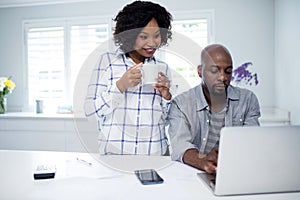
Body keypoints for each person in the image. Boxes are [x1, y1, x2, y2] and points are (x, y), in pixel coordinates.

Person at [85, 1, 173, 155]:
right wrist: (120, 86)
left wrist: (167, 97)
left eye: (157, 35)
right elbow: (91, 113)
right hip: (115, 155)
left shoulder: (163, 67)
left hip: (154, 155)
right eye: (144, 36)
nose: (152, 43)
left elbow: (167, 120)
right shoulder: (106, 62)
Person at [167, 44, 261, 173]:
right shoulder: (181, 104)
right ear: (200, 71)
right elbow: (180, 146)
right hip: (193, 173)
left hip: (237, 170)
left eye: (228, 71)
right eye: (214, 71)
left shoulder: (248, 100)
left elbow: (252, 142)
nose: (223, 78)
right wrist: (203, 161)